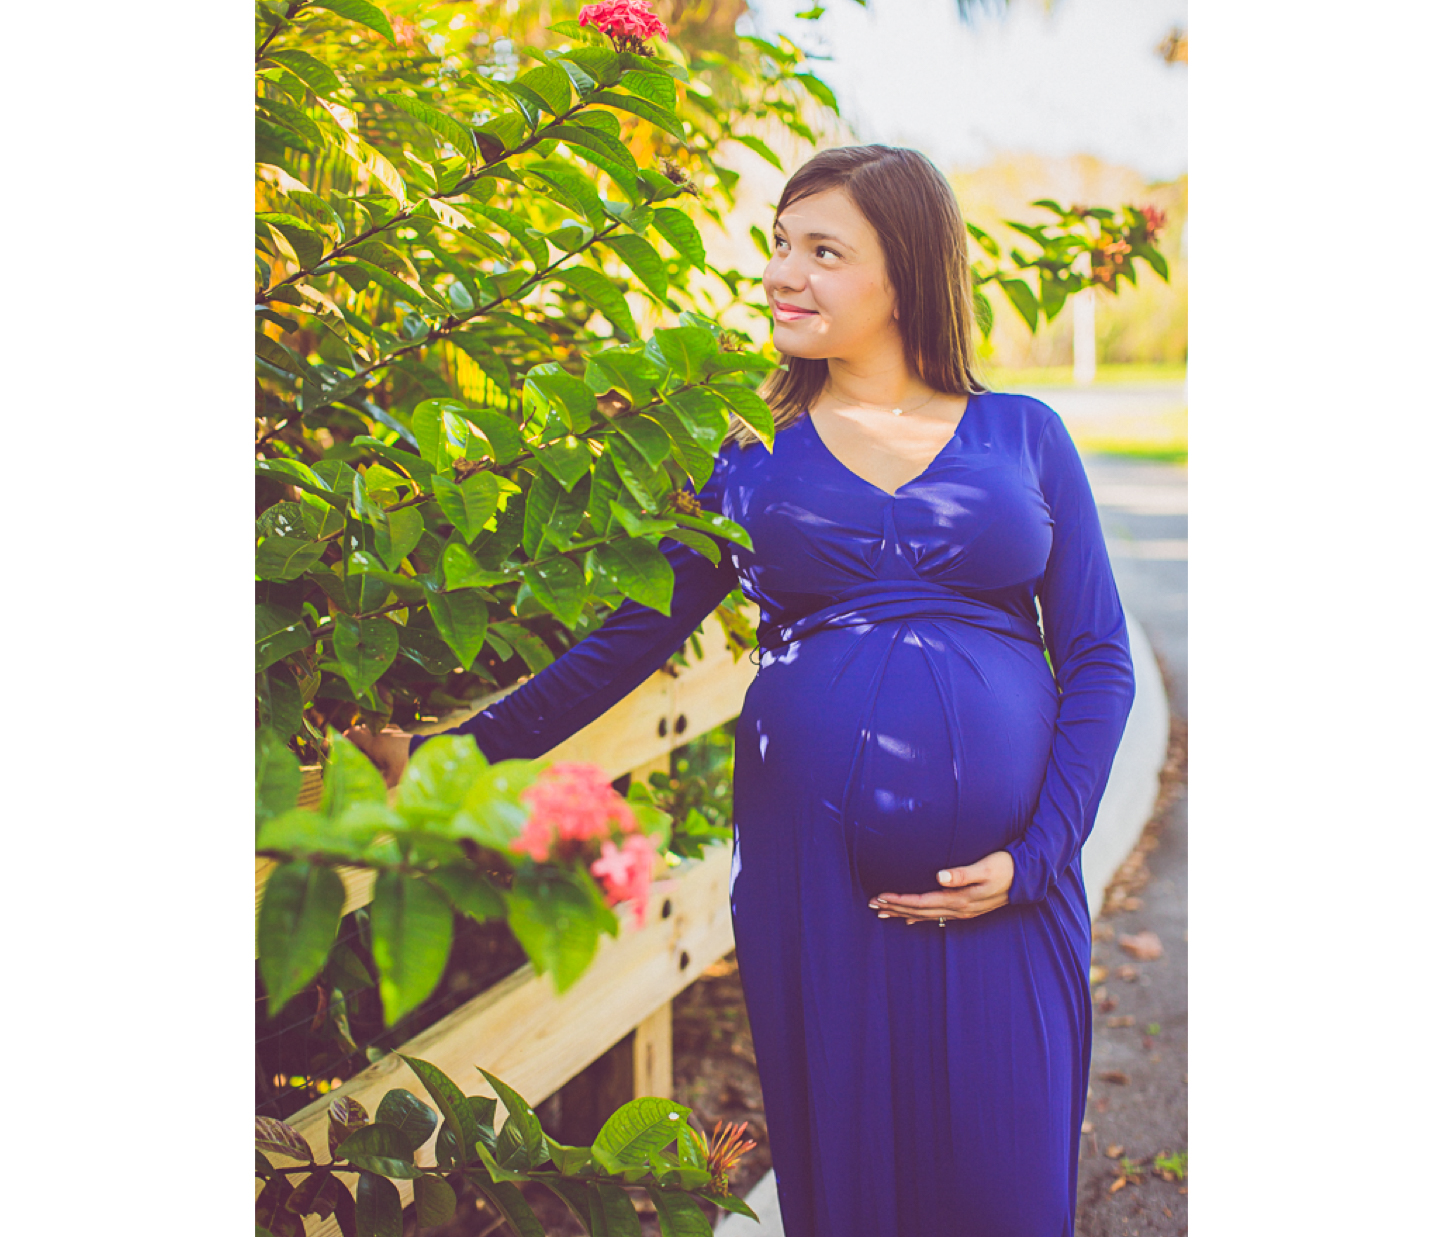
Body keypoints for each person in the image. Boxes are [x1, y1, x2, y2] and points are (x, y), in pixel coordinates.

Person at [352, 145, 1135, 1237]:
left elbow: (1098, 656)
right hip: (815, 890)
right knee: (853, 1184)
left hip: (1013, 888)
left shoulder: (1024, 437)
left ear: (904, 273)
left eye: (822, 251)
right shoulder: (750, 459)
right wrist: (457, 753)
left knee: (1009, 1188)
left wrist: (1037, 855)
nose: (781, 274)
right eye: (777, 244)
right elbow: (627, 640)